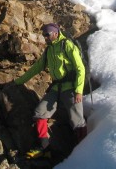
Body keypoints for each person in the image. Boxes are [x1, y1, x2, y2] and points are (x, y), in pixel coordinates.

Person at [13, 23, 87, 159]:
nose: (45, 37)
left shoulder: (67, 45)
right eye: (44, 35)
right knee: (39, 113)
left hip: (70, 87)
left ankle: (84, 153)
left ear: (55, 33)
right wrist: (18, 81)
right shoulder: (49, 50)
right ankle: (44, 148)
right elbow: (37, 68)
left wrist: (78, 91)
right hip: (56, 88)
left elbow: (80, 69)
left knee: (77, 120)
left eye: (47, 35)